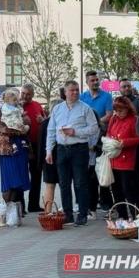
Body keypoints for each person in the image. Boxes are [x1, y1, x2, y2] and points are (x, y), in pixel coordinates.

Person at [46, 80, 99, 226]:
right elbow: (51, 130)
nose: (75, 92)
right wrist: (49, 150)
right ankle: (68, 214)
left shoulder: (85, 109)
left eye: (77, 90)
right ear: (65, 92)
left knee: (80, 183)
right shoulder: (57, 109)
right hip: (62, 149)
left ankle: (82, 214)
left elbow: (94, 128)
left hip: (79, 148)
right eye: (72, 90)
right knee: (64, 183)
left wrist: (75, 132)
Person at [81, 70, 113, 212]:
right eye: (92, 80)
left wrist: (95, 122)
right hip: (87, 138)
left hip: (102, 137)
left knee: (103, 169)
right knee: (89, 173)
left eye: (96, 80)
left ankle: (106, 203)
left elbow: (109, 114)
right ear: (87, 82)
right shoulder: (82, 97)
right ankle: (90, 204)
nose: (95, 82)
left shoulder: (106, 96)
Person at [107, 96, 139, 219]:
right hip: (114, 160)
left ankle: (136, 215)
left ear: (127, 109)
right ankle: (122, 217)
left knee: (129, 191)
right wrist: (110, 142)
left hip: (128, 162)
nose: (118, 113)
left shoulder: (134, 120)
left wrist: (124, 142)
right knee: (116, 191)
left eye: (121, 110)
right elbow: (108, 133)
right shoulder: (114, 119)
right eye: (116, 110)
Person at [0, 107, 31, 216]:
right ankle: (8, 211)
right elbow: (3, 129)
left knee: (19, 181)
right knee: (9, 181)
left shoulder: (21, 110)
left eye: (16, 98)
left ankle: (15, 211)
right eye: (13, 98)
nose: (16, 100)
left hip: (20, 148)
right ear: (6, 99)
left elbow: (27, 123)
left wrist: (25, 126)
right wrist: (20, 128)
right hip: (7, 150)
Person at [20, 83, 46, 213]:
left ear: (32, 95)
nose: (25, 96)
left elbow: (45, 120)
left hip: (37, 145)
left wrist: (42, 119)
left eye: (28, 94)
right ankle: (21, 206)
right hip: (22, 144)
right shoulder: (16, 106)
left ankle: (33, 204)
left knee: (36, 174)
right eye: (23, 93)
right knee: (21, 174)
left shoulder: (37, 105)